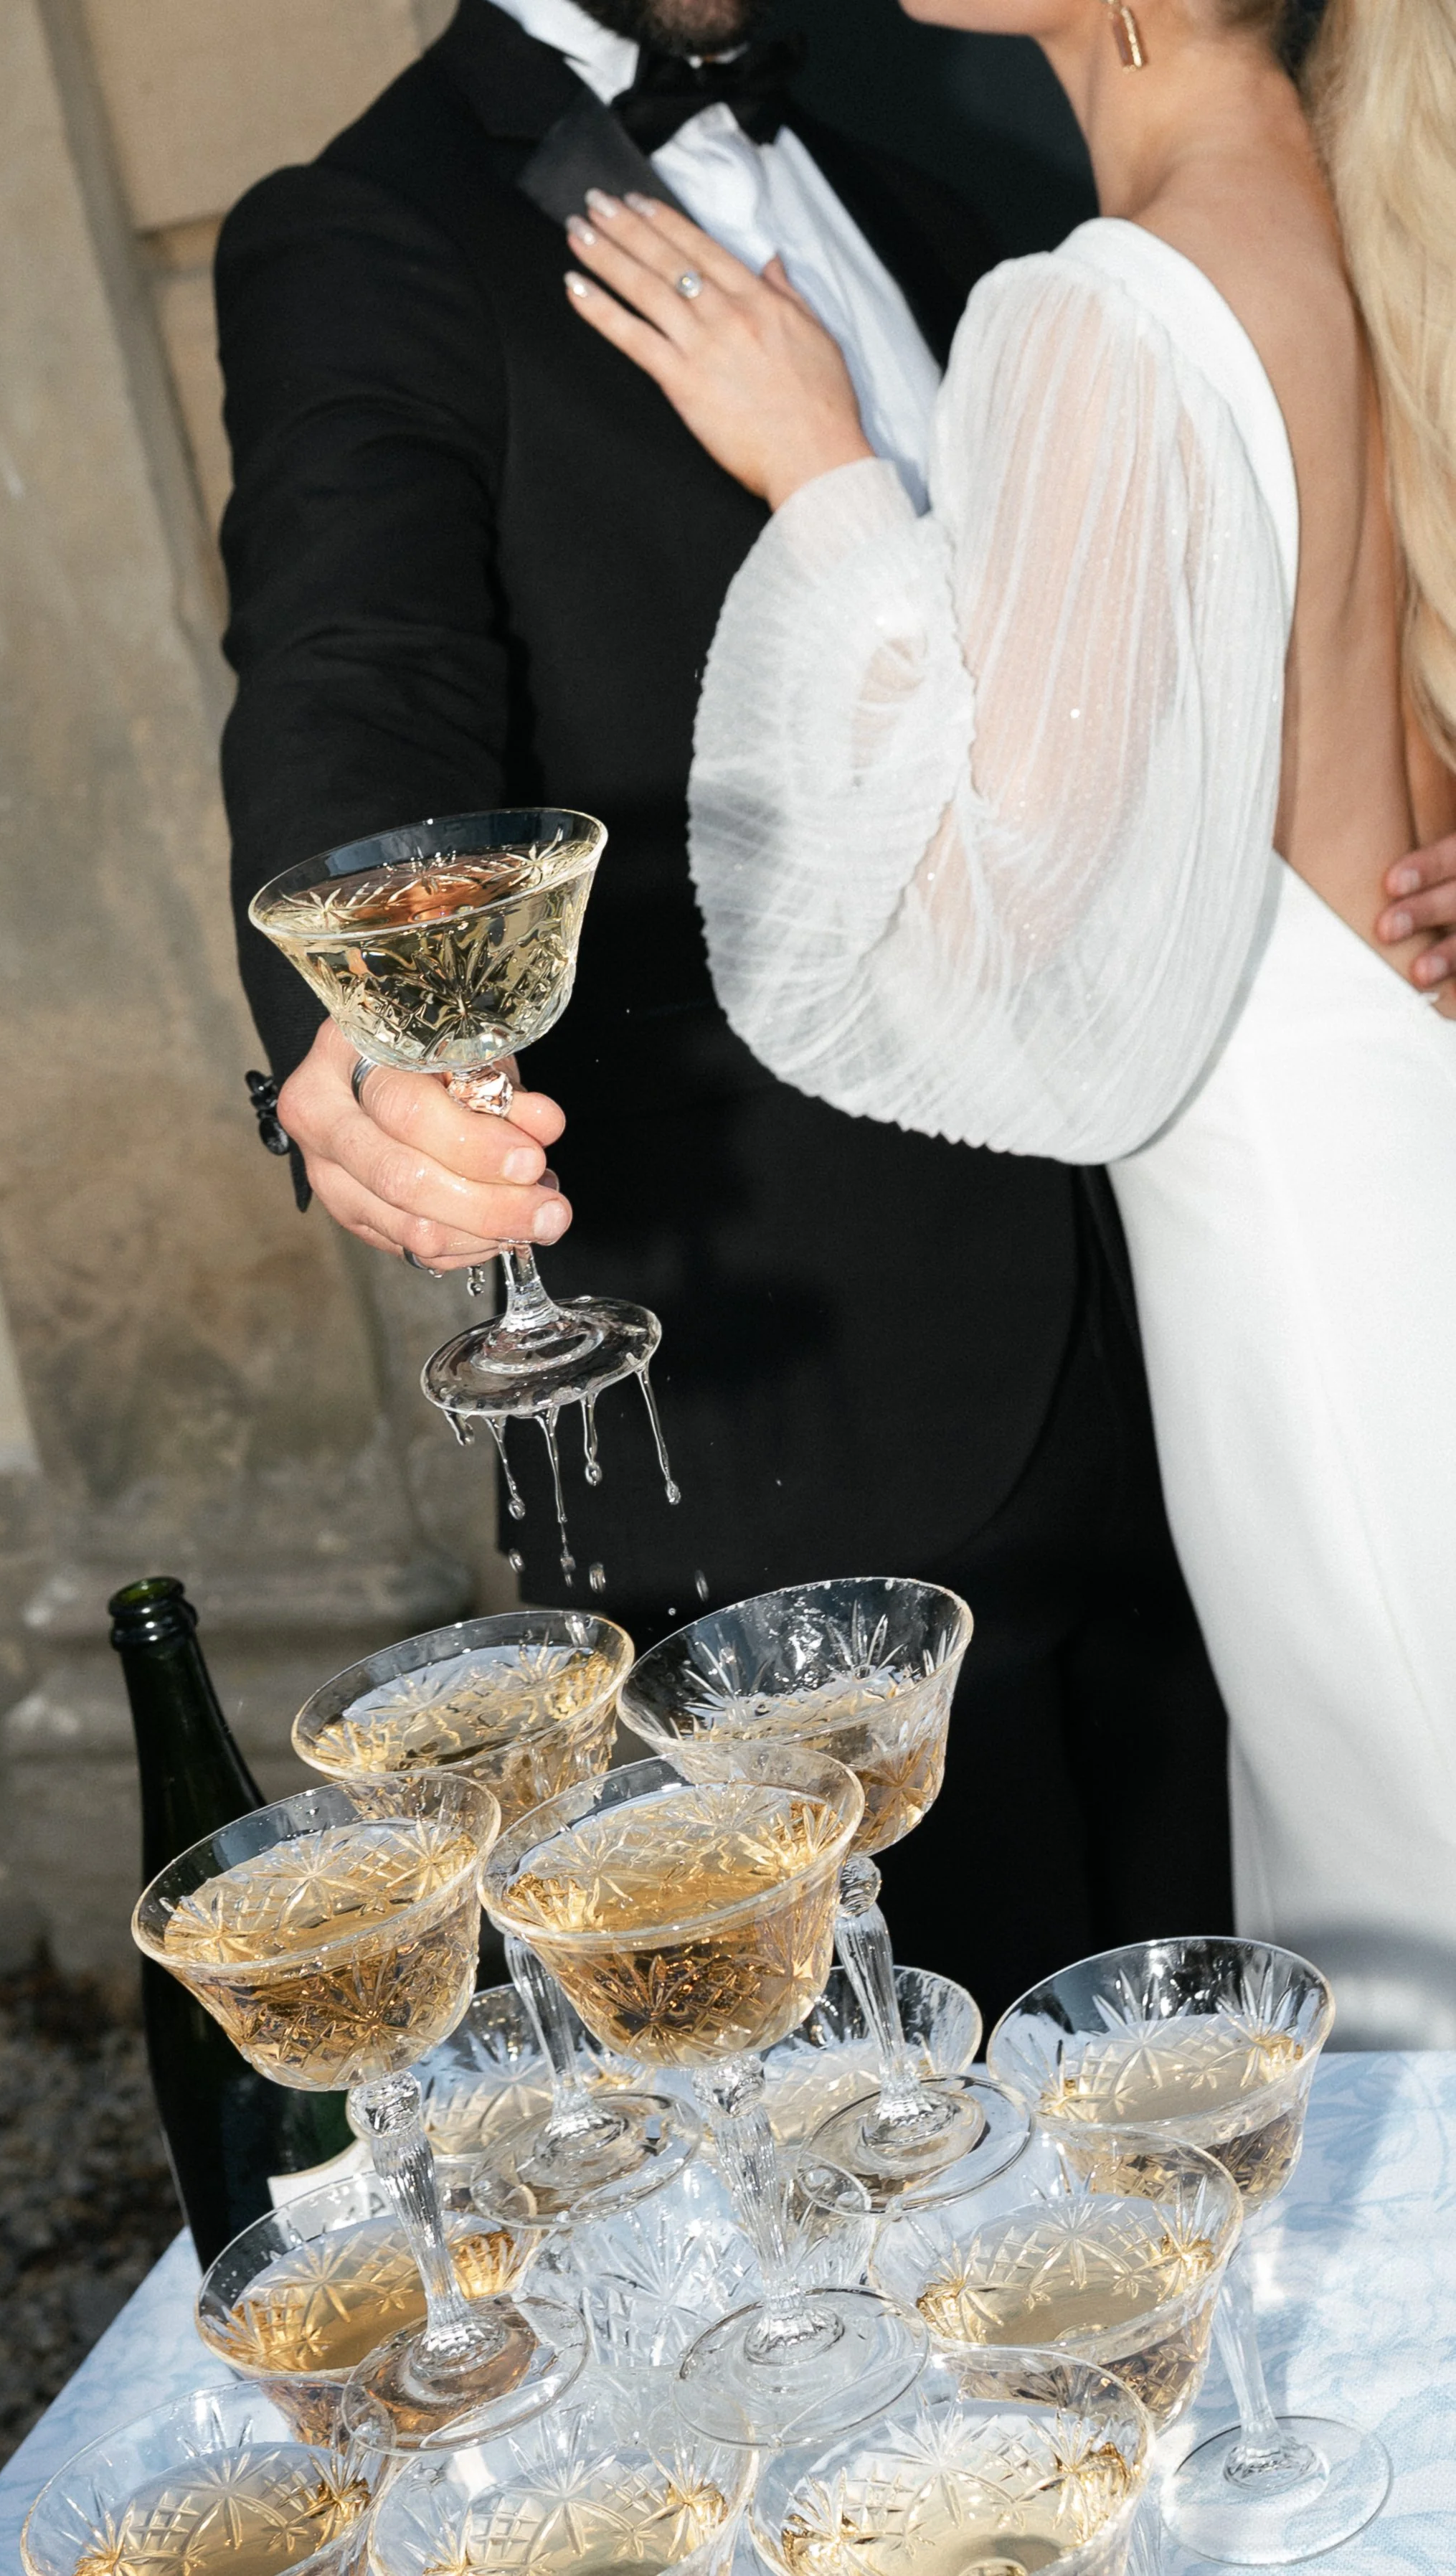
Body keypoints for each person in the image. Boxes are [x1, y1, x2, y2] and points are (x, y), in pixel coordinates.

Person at [217, 0, 1242, 2027]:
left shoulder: (935, 189)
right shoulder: (369, 227)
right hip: (794, 1404)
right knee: (918, 2113)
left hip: (1172, 1300)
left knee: (1241, 2002)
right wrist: (355, 1047)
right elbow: (350, 676)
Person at [559, 0, 1456, 2038]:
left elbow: (1005, 937)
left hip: (1306, 1264)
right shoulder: (1334, 199)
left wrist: (823, 481)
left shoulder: (1107, 298)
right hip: (1393, 1156)